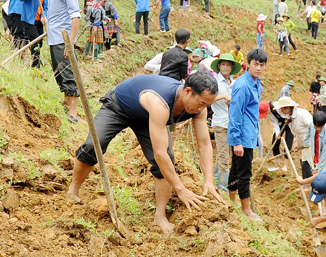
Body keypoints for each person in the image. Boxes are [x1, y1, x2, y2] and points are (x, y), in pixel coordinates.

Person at [67, 73, 225, 233]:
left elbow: (204, 144)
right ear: (188, 92)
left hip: (147, 117)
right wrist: (180, 190)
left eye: (206, 105)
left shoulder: (198, 110)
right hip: (119, 106)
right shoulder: (161, 103)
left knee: (167, 160)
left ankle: (160, 216)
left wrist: (209, 181)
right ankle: (73, 189)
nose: (201, 109)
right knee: (94, 144)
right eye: (201, 103)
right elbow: (159, 153)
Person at [227, 49, 268, 222]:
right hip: (242, 137)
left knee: (236, 169)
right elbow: (235, 114)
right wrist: (237, 142)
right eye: (255, 64)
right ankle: (246, 210)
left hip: (249, 134)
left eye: (262, 65)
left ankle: (230, 202)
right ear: (248, 64)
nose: (258, 68)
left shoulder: (256, 83)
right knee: (245, 173)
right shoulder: (243, 85)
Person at [45, 0, 81, 123]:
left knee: (68, 72)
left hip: (63, 38)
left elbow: (75, 15)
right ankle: (66, 101)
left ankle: (73, 111)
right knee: (59, 70)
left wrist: (71, 42)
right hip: (53, 36)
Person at [210, 53, 240, 191]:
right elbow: (207, 100)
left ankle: (215, 180)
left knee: (225, 154)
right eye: (223, 64)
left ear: (232, 67)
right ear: (219, 66)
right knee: (224, 158)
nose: (226, 67)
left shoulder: (234, 83)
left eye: (228, 65)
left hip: (232, 124)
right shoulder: (214, 82)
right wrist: (222, 96)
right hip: (220, 123)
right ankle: (223, 188)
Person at [302, 111, 326, 215]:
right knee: (317, 182)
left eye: (320, 127)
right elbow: (308, 132)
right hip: (315, 156)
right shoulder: (312, 126)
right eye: (316, 126)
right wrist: (306, 142)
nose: (317, 129)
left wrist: (318, 169)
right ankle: (320, 206)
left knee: (323, 182)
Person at [19, 0, 51, 68]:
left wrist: (43, 16)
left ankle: (35, 61)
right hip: (29, 19)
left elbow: (45, 7)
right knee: (35, 42)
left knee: (39, 43)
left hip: (38, 21)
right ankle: (36, 66)